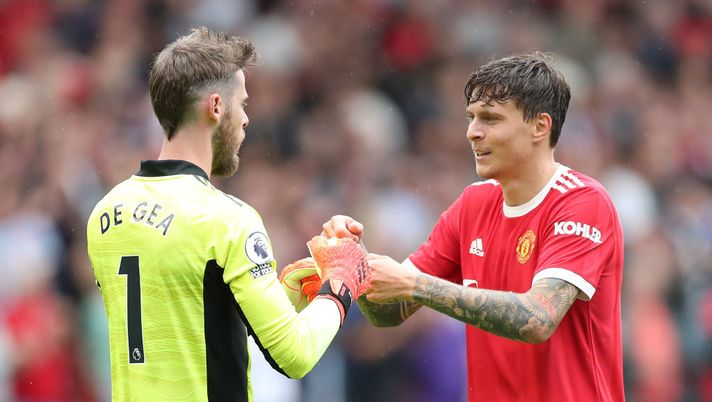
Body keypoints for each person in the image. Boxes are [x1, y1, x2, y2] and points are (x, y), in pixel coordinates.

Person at [323, 53, 625, 402]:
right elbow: (388, 314)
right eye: (471, 118)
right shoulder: (473, 205)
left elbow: (538, 318)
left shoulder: (583, 203)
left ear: (540, 126)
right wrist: (356, 266)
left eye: (490, 119)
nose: (472, 132)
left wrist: (415, 285)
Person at [86, 27, 354, 402]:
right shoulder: (227, 219)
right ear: (215, 107)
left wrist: (295, 289)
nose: (246, 119)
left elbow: (189, 324)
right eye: (242, 103)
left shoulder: (106, 213)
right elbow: (295, 355)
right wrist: (340, 287)